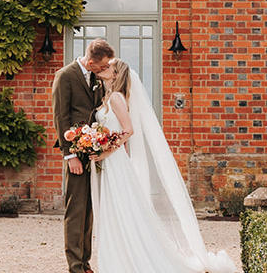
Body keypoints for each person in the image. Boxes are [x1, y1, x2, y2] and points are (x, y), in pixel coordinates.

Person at [89, 60, 238, 273]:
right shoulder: (108, 97)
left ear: (116, 73)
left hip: (115, 161)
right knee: (115, 209)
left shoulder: (115, 98)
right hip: (110, 162)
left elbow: (128, 130)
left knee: (121, 208)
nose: (103, 69)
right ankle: (118, 257)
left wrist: (105, 150)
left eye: (107, 67)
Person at [53, 38, 114, 273]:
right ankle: (75, 266)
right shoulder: (65, 76)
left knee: (89, 209)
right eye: (102, 66)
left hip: (93, 151)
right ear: (90, 62)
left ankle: (85, 261)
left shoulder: (96, 79)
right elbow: (61, 117)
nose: (104, 70)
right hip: (76, 153)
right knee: (76, 209)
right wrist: (70, 156)